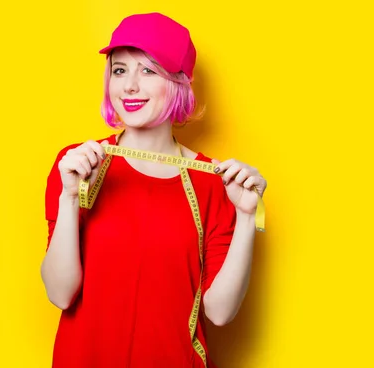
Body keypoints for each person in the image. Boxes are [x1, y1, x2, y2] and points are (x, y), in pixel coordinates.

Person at [41, 12, 267, 368]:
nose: (129, 85)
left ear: (179, 82)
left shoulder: (213, 182)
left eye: (148, 70)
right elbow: (60, 293)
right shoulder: (79, 166)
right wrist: (69, 197)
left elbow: (220, 313)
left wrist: (246, 216)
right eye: (120, 70)